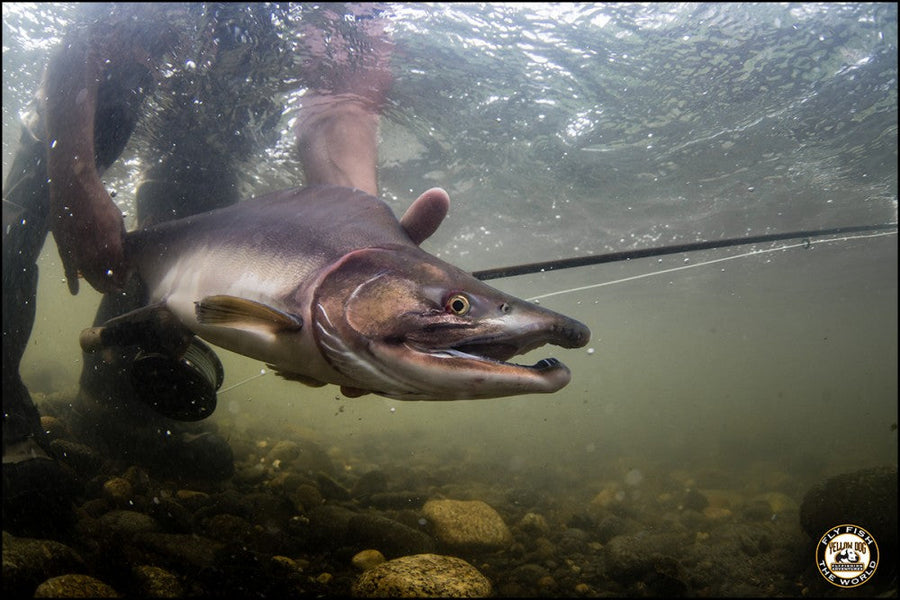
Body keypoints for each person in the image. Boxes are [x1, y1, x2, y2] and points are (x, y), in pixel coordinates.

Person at [2, 3, 392, 536]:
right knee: (17, 222)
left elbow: (339, 105)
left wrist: (362, 253)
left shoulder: (350, 12)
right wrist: (74, 173)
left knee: (189, 256)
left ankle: (114, 409)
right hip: (114, 71)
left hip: (218, 133)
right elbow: (91, 27)